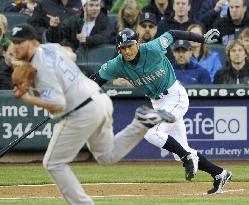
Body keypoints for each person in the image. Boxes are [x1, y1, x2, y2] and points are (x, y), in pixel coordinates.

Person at [10, 23, 194, 205]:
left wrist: (27, 97)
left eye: (21, 42)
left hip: (81, 110)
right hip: (99, 100)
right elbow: (71, 55)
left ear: (33, 42)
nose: (15, 46)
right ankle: (141, 123)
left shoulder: (41, 69)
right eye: (14, 42)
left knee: (53, 164)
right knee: (107, 157)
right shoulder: (50, 48)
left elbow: (58, 105)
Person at [90, 27, 232, 194]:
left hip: (175, 96)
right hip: (158, 103)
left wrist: (202, 39)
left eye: (130, 46)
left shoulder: (152, 48)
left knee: (152, 133)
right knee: (180, 151)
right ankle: (219, 174)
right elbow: (95, 80)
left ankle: (188, 157)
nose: (127, 51)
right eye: (123, 48)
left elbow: (172, 34)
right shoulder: (118, 64)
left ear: (138, 43)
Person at [46, 0, 110, 50]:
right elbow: (55, 39)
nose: (95, 8)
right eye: (91, 5)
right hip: (73, 51)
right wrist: (54, 28)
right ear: (84, 7)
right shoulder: (75, 20)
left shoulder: (104, 20)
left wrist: (87, 39)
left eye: (97, 5)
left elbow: (106, 37)